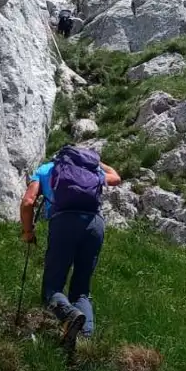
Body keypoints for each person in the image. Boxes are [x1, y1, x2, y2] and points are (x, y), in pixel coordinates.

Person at [20, 145, 121, 348]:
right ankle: (84, 343)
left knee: (52, 287)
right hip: (94, 224)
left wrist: (28, 232)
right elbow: (116, 178)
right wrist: (95, 162)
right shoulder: (92, 171)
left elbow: (28, 201)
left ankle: (69, 314)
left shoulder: (46, 169)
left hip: (63, 222)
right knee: (82, 290)